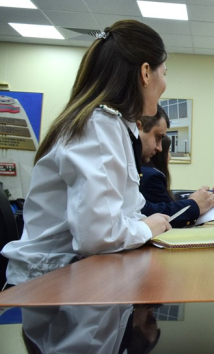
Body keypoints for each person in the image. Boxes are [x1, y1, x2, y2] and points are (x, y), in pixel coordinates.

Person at [1, 20, 171, 288]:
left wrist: (148, 223)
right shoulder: (98, 125)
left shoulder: (114, 124)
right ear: (146, 73)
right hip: (46, 287)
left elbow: (126, 210)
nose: (165, 84)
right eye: (164, 73)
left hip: (71, 278)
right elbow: (98, 236)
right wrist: (147, 227)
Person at [138, 106, 214, 228]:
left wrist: (195, 201)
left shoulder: (138, 169)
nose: (159, 148)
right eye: (157, 137)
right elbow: (148, 212)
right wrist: (193, 204)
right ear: (137, 127)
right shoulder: (151, 175)